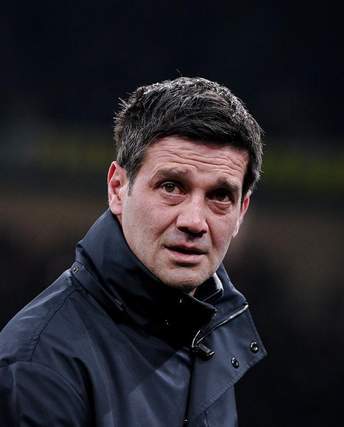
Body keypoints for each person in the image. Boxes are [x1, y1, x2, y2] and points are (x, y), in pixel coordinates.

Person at [0, 77, 266, 426]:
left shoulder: (209, 336)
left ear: (241, 211)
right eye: (171, 187)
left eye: (220, 196)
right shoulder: (38, 366)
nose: (194, 221)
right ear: (117, 189)